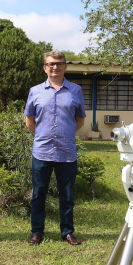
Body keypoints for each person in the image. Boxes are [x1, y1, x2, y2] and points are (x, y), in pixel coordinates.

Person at [24, 50, 86, 246]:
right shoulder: (35, 91)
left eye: (59, 63)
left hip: (67, 151)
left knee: (67, 195)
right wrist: (43, 135)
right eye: (51, 64)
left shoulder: (76, 90)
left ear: (65, 66)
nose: (55, 67)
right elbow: (29, 120)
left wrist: (66, 134)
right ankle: (37, 232)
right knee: (38, 194)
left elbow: (80, 119)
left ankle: (67, 232)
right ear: (45, 67)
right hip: (42, 151)